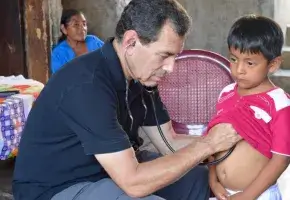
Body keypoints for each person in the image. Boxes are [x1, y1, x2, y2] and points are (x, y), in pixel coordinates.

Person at [12, 1, 241, 200]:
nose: (170, 68)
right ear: (131, 42)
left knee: (196, 179)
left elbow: (167, 141)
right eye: (165, 55)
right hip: (58, 188)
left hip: (107, 172)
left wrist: (230, 137)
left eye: (175, 56)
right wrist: (208, 144)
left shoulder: (141, 77)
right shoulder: (87, 85)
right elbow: (133, 182)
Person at [208, 15, 290, 200]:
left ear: (273, 64)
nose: (239, 70)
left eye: (250, 62)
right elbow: (213, 141)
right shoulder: (226, 92)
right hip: (222, 193)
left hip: (258, 196)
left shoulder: (280, 103)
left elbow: (281, 159)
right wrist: (214, 182)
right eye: (234, 59)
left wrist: (247, 196)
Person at [51, 9, 104, 73]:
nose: (83, 29)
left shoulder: (93, 41)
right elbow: (61, 79)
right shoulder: (58, 54)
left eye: (84, 24)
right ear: (64, 29)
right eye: (76, 25)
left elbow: (109, 60)